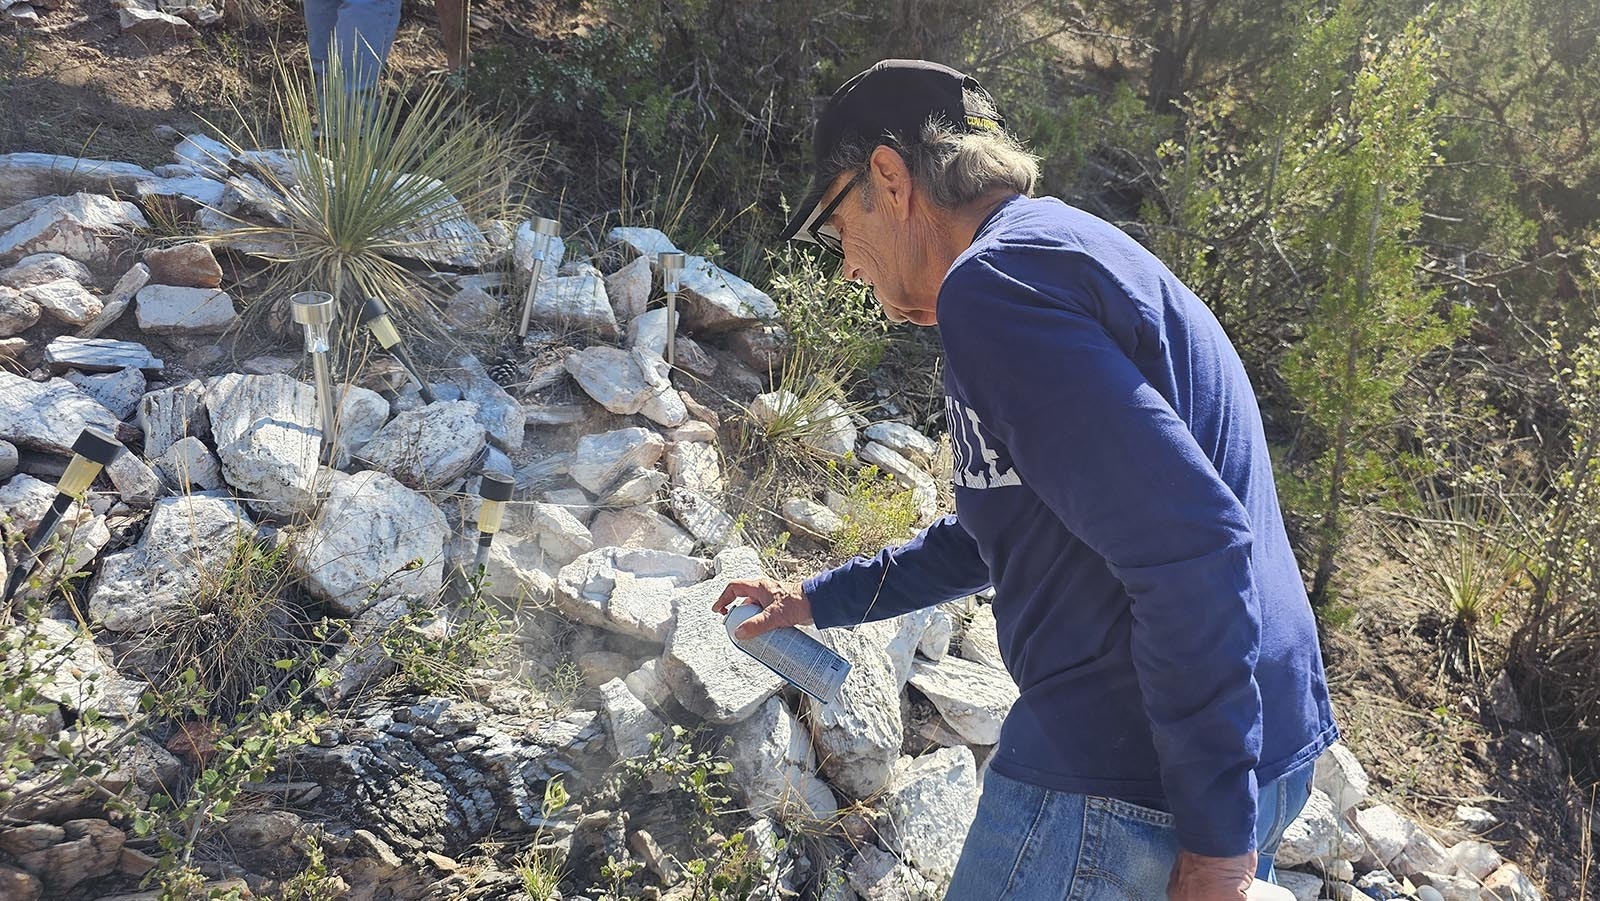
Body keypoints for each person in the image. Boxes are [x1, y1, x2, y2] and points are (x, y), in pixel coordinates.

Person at [712, 60, 1339, 900]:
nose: (848, 269)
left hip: (1121, 781)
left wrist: (1217, 843)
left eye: (835, 228)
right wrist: (814, 600)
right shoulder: (1067, 254)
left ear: (889, 179)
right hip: (1248, 740)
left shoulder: (995, 287)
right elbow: (998, 529)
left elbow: (1192, 543)